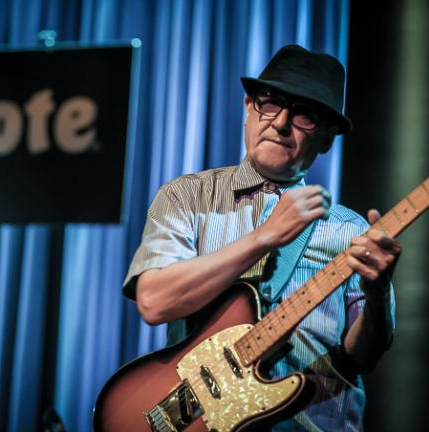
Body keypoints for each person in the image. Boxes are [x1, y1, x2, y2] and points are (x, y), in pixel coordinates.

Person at [123, 44, 400, 431]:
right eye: (269, 102)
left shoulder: (353, 232)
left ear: (327, 138)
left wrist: (377, 294)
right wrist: (264, 237)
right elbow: (154, 302)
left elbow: (363, 358)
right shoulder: (186, 197)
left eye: (304, 115)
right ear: (248, 109)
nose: (281, 122)